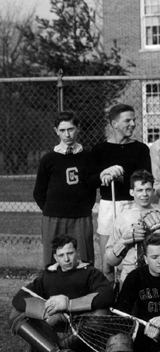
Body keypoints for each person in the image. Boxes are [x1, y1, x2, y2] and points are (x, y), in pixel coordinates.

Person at [9, 234, 115, 352]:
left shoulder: (90, 272)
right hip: (54, 325)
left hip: (80, 327)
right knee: (16, 313)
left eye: (70, 253)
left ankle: (46, 346)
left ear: (78, 252)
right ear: (55, 257)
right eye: (61, 255)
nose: (66, 259)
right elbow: (19, 298)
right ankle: (56, 350)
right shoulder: (49, 274)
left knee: (101, 314)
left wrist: (69, 304)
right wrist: (47, 310)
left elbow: (107, 296)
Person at [91, 104, 152, 280]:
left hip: (133, 205)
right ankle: (109, 300)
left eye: (134, 120)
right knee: (108, 262)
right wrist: (104, 173)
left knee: (133, 258)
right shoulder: (99, 150)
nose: (133, 123)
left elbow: (145, 178)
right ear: (114, 123)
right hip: (109, 205)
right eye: (128, 120)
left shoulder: (140, 149)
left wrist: (121, 175)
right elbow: (89, 180)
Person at [33, 111, 99, 267]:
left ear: (78, 129)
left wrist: (81, 208)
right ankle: (53, 290)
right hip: (54, 217)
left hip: (80, 216)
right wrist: (52, 210)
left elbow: (91, 189)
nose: (67, 134)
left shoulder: (87, 157)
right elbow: (39, 192)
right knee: (52, 259)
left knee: (84, 258)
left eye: (70, 129)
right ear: (56, 131)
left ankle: (83, 290)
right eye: (62, 130)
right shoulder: (49, 159)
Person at [104, 169, 160, 286]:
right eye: (139, 190)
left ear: (153, 191)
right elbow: (110, 260)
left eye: (148, 190)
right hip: (130, 276)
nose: (144, 194)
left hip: (159, 277)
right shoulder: (122, 218)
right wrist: (123, 242)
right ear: (131, 192)